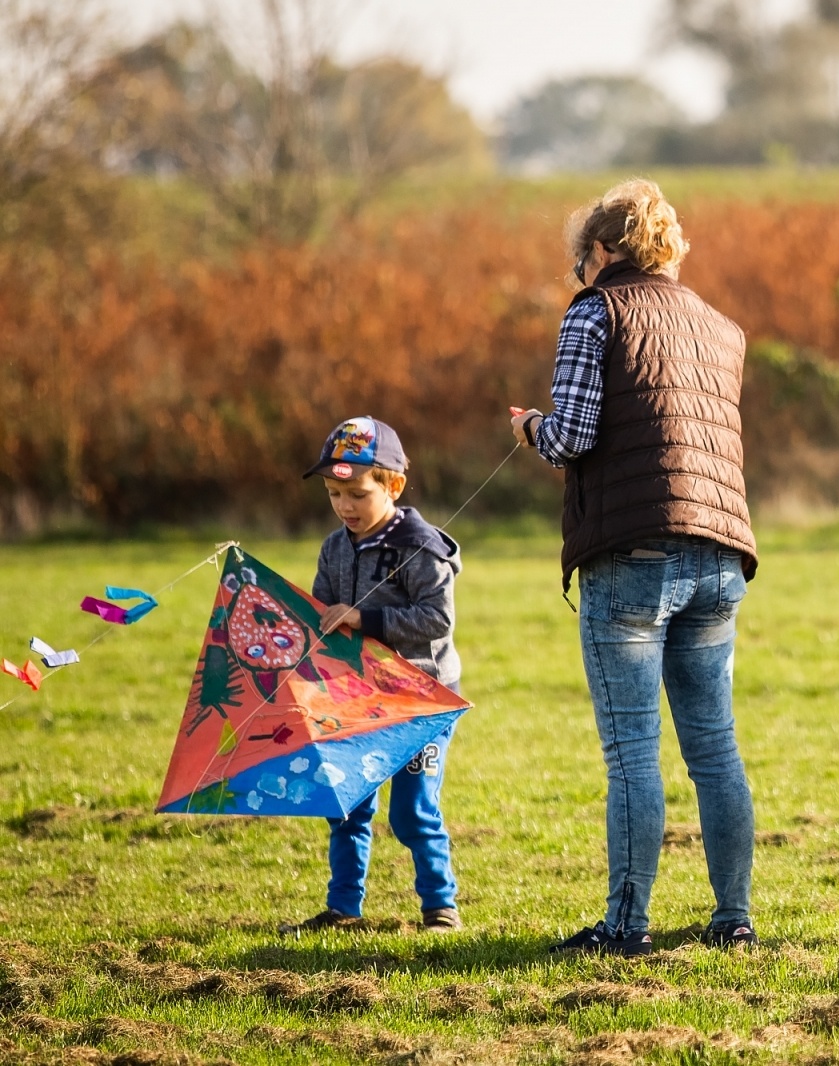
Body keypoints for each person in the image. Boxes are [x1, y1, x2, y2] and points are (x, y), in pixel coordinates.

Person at [510, 179, 759, 956]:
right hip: (721, 554)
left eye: (580, 258)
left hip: (633, 556)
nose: (578, 272)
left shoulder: (595, 311)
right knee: (714, 749)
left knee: (631, 756)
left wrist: (532, 427)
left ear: (602, 249)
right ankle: (733, 917)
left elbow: (574, 437)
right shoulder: (721, 326)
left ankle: (626, 926)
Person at [279, 416, 466, 935]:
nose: (345, 506)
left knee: (412, 812)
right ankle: (343, 908)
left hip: (422, 700)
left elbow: (437, 619)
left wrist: (366, 619)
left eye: (358, 494)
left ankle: (441, 907)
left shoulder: (421, 547)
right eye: (334, 494)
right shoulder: (334, 548)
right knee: (345, 805)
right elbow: (322, 617)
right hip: (355, 698)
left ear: (394, 486)